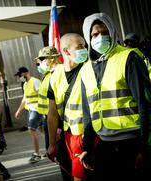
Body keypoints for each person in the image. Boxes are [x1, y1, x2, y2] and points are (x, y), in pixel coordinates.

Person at [78, 13, 151, 181]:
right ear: (88, 38)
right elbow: (88, 113)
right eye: (95, 34)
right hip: (104, 143)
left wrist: (144, 147)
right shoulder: (86, 69)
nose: (101, 37)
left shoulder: (129, 57)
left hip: (132, 141)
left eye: (105, 32)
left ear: (112, 31)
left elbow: (145, 104)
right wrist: (87, 147)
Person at [46, 33, 89, 181]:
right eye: (80, 46)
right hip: (67, 136)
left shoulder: (90, 69)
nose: (84, 49)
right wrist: (51, 144)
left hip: (86, 135)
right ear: (65, 51)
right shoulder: (55, 75)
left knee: (79, 176)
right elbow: (51, 114)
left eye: (84, 45)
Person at [14, 66, 43, 163]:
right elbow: (25, 99)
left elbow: (43, 95)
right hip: (30, 110)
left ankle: (36, 154)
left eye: (20, 75)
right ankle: (54, 146)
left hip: (37, 109)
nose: (19, 77)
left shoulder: (35, 81)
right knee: (42, 129)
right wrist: (19, 110)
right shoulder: (25, 84)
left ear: (26, 73)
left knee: (31, 129)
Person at [34, 46, 60, 154]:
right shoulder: (48, 74)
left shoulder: (57, 73)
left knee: (58, 153)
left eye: (42, 59)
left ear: (52, 58)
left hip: (56, 119)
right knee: (52, 152)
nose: (39, 62)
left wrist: (59, 126)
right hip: (48, 118)